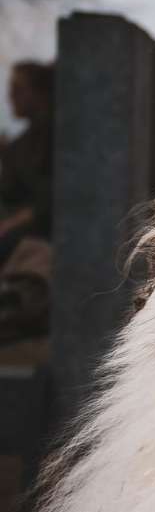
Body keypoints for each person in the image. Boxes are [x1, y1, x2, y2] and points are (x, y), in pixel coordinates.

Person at [0, 61, 54, 342]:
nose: (11, 98)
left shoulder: (55, 135)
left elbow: (52, 198)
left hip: (46, 231)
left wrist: (17, 220)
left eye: (19, 90)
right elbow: (10, 192)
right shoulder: (24, 142)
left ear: (39, 93)